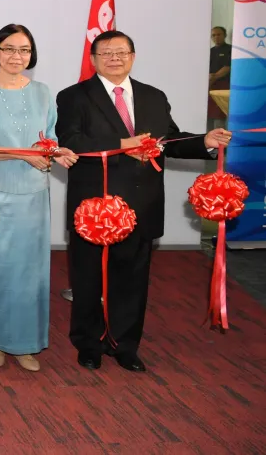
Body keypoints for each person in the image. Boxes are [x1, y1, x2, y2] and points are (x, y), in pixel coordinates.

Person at [56, 30, 230, 373]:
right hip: (95, 207)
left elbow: (171, 141)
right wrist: (125, 142)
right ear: (93, 60)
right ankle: (88, 344)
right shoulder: (74, 96)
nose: (114, 58)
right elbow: (73, 141)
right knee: (88, 279)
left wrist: (204, 142)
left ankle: (125, 345)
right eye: (105, 52)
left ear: (133, 57)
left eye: (122, 52)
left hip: (142, 204)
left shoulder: (153, 96)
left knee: (132, 280)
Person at [0, 24, 77, 372]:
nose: (17, 56)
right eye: (10, 48)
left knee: (31, 272)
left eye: (24, 50)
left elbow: (50, 138)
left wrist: (57, 152)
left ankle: (27, 344)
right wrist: (22, 155)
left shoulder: (43, 92)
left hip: (32, 195)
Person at [208, 26, 231, 130]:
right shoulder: (209, 51)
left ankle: (219, 144)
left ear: (225, 35)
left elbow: (227, 67)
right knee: (208, 114)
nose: (216, 37)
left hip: (223, 87)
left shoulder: (230, 49)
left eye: (219, 34)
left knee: (219, 115)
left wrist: (214, 77)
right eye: (213, 35)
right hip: (210, 86)